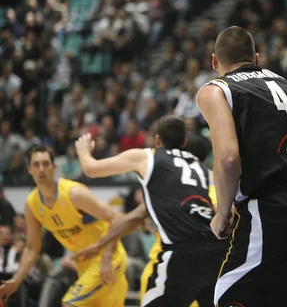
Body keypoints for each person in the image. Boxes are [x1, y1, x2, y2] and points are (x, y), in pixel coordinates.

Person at [196, 26, 287, 307]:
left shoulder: (216, 90)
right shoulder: (285, 83)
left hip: (272, 209)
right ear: (256, 58)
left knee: (228, 297)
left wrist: (222, 214)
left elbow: (227, 158)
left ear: (215, 61)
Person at [74, 116, 225, 307]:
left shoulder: (148, 157)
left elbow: (90, 169)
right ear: (183, 142)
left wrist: (83, 150)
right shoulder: (203, 169)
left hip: (180, 252)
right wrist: (101, 244)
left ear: (157, 140)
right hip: (216, 253)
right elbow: (138, 215)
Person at [0, 145, 128, 306]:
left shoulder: (74, 194)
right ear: (30, 169)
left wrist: (107, 259)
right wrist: (15, 281)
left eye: (46, 164)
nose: (41, 169)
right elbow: (32, 248)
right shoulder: (32, 204)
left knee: (69, 303)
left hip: (108, 258)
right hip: (84, 265)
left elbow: (116, 219)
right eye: (36, 165)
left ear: (54, 167)